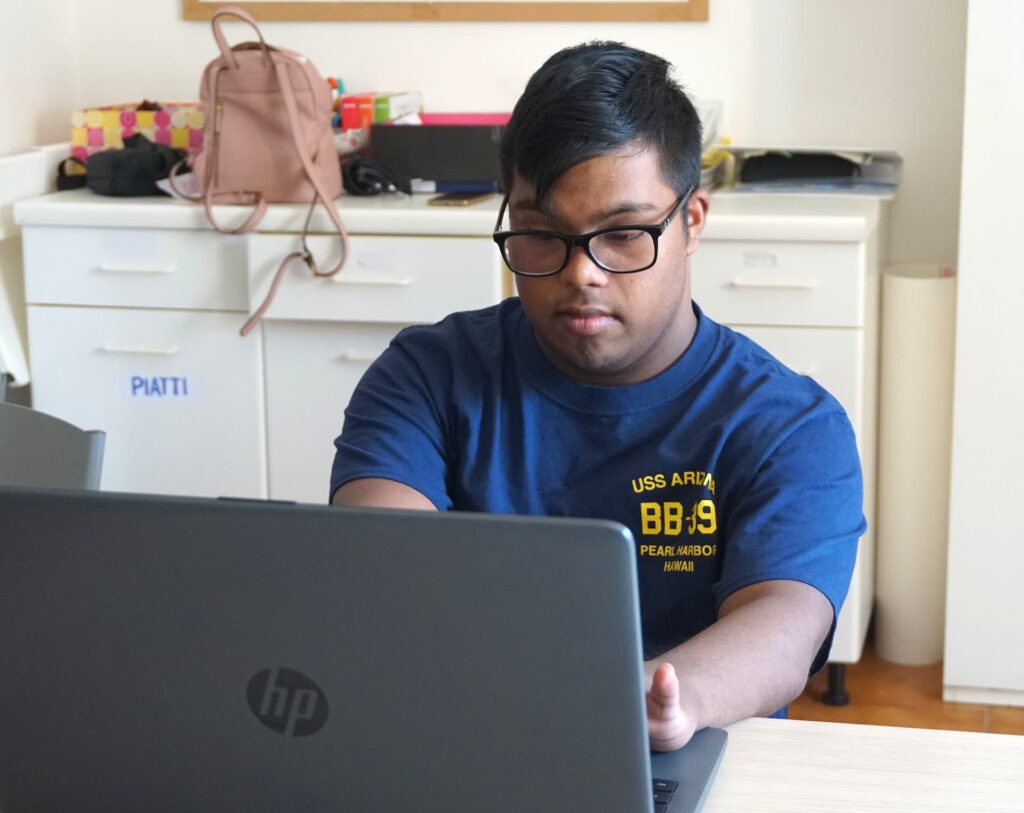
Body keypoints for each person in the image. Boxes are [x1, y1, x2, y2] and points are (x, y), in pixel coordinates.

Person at [330, 41, 864, 751]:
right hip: (468, 739)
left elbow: (783, 622)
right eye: (543, 235)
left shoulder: (790, 425)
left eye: (621, 234)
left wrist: (672, 697)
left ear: (693, 221)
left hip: (689, 754)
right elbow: (379, 567)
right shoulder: (425, 376)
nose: (582, 273)